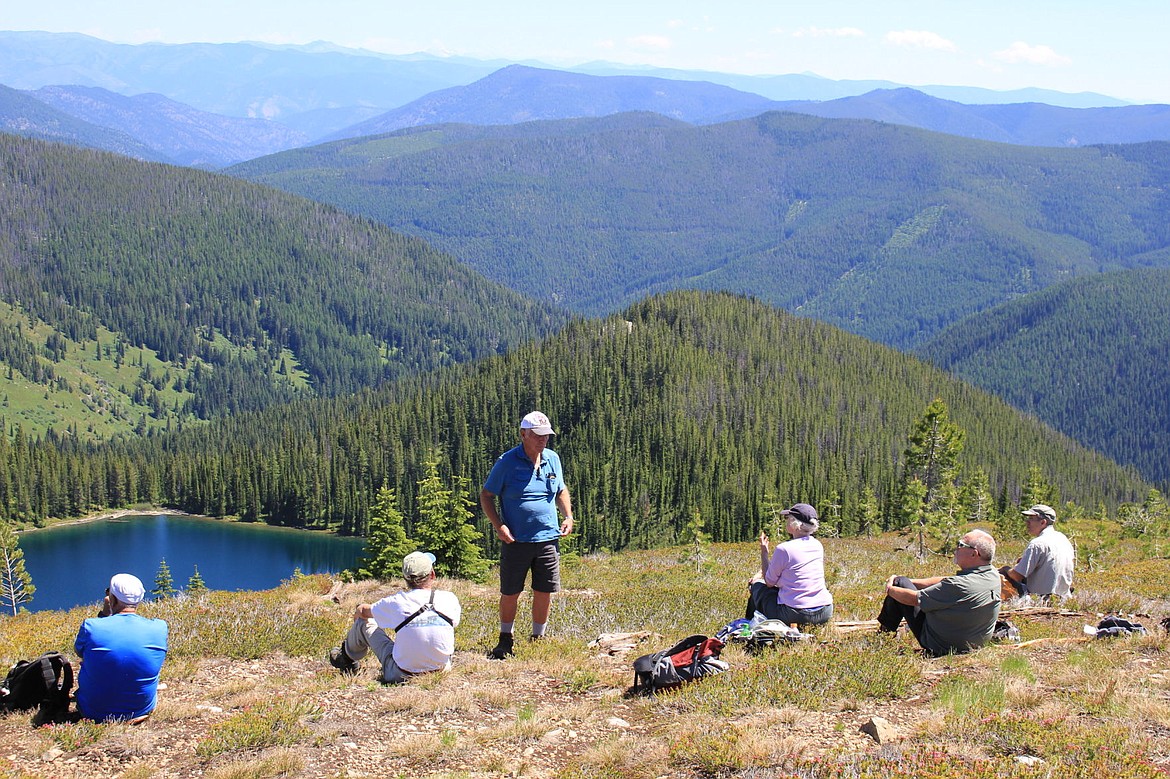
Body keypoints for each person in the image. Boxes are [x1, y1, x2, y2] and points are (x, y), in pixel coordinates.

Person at [480, 410, 574, 659]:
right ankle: (505, 638)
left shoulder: (552, 459)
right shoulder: (507, 463)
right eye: (538, 435)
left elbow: (561, 490)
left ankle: (538, 636)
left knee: (544, 589)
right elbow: (486, 495)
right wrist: (499, 526)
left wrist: (568, 516)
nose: (543, 440)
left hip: (547, 538)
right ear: (524, 434)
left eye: (547, 435)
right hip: (517, 540)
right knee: (511, 591)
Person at [329, 551, 461, 683]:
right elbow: (453, 624)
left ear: (405, 578)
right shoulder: (449, 599)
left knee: (363, 623)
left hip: (400, 674)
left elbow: (363, 611)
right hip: (441, 670)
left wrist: (358, 610)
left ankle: (346, 658)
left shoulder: (397, 602)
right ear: (432, 574)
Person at [877, 529, 1001, 657]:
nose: (956, 548)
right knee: (903, 582)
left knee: (900, 583)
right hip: (975, 642)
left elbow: (913, 599)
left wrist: (891, 586)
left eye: (961, 545)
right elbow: (945, 580)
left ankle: (882, 638)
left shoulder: (958, 585)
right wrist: (912, 581)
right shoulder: (992, 574)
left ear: (974, 554)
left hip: (941, 644)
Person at [74, 573, 168, 722]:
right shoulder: (159, 627)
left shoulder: (91, 626)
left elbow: (79, 651)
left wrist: (104, 615)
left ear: (112, 598)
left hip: (94, 711)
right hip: (140, 709)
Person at [745, 503, 834, 626]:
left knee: (757, 586)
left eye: (788, 518)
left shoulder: (784, 549)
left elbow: (770, 582)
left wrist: (764, 553)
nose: (786, 521)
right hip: (824, 611)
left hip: (795, 614)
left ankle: (751, 625)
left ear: (795, 524)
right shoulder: (818, 545)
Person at [999, 504, 1074, 602]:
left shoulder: (1037, 543)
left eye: (1031, 519)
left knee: (1000, 576)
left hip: (1041, 599)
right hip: (1064, 598)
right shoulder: (1063, 539)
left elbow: (1016, 576)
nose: (1027, 522)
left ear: (1043, 522)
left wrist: (1005, 569)